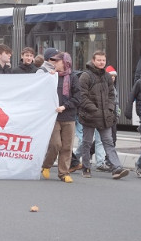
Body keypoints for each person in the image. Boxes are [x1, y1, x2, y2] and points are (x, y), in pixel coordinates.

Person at [76, 50, 129, 179]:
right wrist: (94, 110)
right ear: (93, 61)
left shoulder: (107, 76)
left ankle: (117, 168)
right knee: (87, 142)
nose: (101, 62)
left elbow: (112, 95)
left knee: (108, 142)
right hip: (89, 115)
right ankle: (86, 167)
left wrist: (110, 108)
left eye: (103, 60)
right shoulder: (85, 76)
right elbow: (82, 97)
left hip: (105, 116)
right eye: (99, 60)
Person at [40, 52, 79, 183]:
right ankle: (46, 165)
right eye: (54, 61)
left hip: (69, 116)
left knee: (67, 147)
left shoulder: (73, 78)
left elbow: (77, 97)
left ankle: (63, 173)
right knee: (55, 144)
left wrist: (65, 106)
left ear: (65, 63)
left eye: (58, 61)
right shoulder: (51, 76)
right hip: (54, 117)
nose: (55, 63)